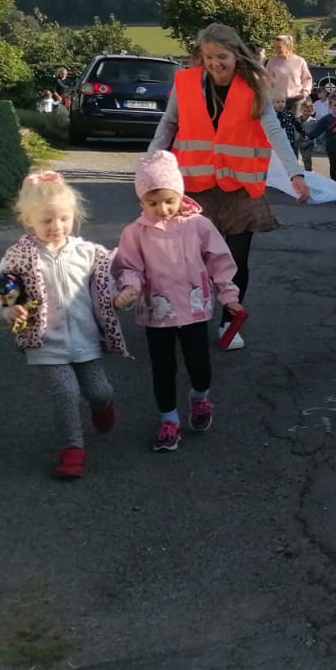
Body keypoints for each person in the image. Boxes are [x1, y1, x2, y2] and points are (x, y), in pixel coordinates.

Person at [148, 22, 309, 351]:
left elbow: (274, 130)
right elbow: (169, 124)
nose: (214, 63)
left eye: (221, 56)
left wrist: (295, 173)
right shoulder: (186, 82)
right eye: (207, 56)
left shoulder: (254, 85)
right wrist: (152, 165)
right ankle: (190, 312)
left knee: (235, 260)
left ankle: (229, 320)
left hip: (240, 186)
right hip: (195, 184)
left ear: (236, 55)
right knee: (192, 259)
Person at [0, 172, 128, 479]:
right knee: (65, 392)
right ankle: (72, 449)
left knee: (99, 390)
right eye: (47, 221)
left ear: (74, 216)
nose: (56, 227)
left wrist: (122, 296)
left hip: (86, 340)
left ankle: (102, 407)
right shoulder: (20, 256)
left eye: (63, 219)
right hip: (45, 343)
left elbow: (108, 281)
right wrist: (7, 309)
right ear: (28, 220)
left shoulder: (86, 252)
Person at [111, 152, 243, 453]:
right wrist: (130, 288)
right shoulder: (135, 233)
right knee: (162, 367)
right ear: (141, 201)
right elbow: (129, 266)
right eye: (152, 202)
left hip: (194, 310)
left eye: (168, 200)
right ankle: (168, 418)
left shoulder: (198, 226)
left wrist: (229, 296)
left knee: (199, 364)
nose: (162, 209)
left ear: (180, 193)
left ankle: (199, 398)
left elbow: (219, 262)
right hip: (157, 312)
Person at [264, 35, 313, 153]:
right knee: (279, 130)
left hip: (296, 100)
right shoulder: (272, 62)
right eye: (275, 47)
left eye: (279, 47)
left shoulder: (299, 61)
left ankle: (296, 160)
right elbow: (267, 82)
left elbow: (307, 79)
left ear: (287, 46)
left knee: (294, 131)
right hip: (279, 101)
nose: (276, 49)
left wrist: (305, 92)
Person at [308, 94, 336, 186]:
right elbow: (318, 130)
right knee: (333, 164)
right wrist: (308, 137)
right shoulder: (326, 119)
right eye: (335, 105)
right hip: (331, 146)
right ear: (330, 106)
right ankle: (333, 182)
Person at [295, 98, 317, 173]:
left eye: (309, 111)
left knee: (307, 157)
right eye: (304, 111)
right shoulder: (297, 120)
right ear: (301, 110)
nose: (306, 113)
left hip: (310, 143)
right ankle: (303, 171)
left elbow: (318, 131)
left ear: (312, 111)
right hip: (299, 143)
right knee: (301, 159)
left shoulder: (314, 122)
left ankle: (309, 170)